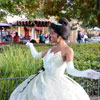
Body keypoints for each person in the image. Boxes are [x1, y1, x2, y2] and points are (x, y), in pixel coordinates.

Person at [9, 18, 100, 100]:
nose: (50, 35)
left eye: (52, 33)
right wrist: (31, 46)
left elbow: (70, 70)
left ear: (59, 35)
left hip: (57, 85)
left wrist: (85, 73)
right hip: (41, 81)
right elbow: (36, 56)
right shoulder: (51, 49)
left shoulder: (68, 50)